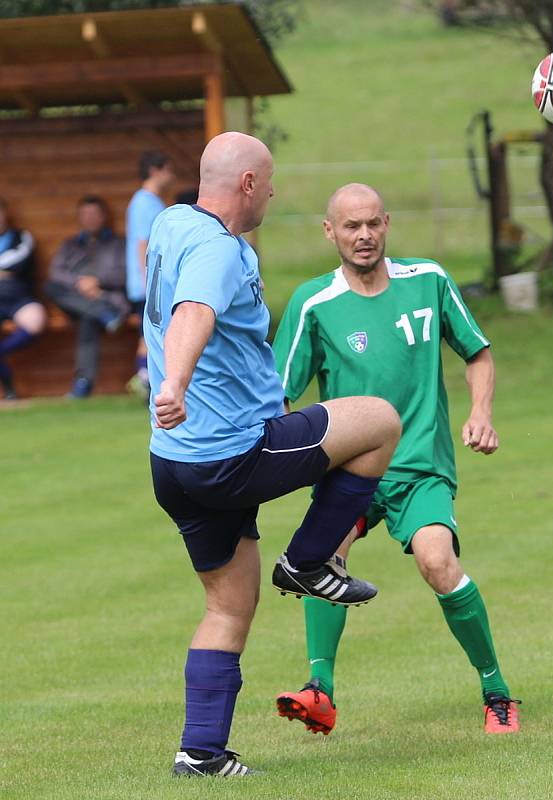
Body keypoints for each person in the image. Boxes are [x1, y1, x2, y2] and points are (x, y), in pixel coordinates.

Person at [144, 133, 401, 778]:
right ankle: (311, 562)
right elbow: (193, 311)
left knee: (228, 605)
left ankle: (200, 754)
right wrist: (173, 382)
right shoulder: (219, 248)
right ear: (250, 185)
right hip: (234, 452)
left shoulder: (174, 221)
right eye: (271, 181)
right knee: (378, 421)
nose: (275, 193)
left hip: (173, 463)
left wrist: (174, 391)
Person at [272, 183, 520, 736]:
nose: (363, 236)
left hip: (418, 466)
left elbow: (477, 352)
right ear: (329, 231)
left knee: (437, 562)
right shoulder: (314, 304)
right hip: (349, 470)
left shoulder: (429, 280)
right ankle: (320, 692)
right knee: (320, 561)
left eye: (372, 224)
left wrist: (482, 412)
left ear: (386, 223)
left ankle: (496, 690)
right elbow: (277, 398)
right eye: (350, 227)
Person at [45, 196, 128, 398]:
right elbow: (56, 272)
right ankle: (102, 314)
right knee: (51, 287)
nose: (90, 219)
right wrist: (79, 283)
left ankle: (83, 384)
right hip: (80, 301)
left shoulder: (118, 243)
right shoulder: (70, 245)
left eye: (94, 214)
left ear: (104, 216)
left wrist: (96, 283)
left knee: (87, 319)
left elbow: (125, 273)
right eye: (85, 215)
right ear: (80, 218)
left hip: (107, 297)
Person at [125, 151, 176, 398]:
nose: (172, 175)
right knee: (149, 335)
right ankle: (144, 381)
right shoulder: (144, 202)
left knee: (147, 335)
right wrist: (149, 281)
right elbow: (142, 244)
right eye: (168, 169)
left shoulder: (151, 200)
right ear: (155, 171)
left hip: (150, 282)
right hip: (147, 283)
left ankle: (145, 381)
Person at [0, 198, 46, 399]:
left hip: (18, 297)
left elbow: (19, 261)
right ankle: (9, 389)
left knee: (36, 321)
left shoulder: (20, 237)